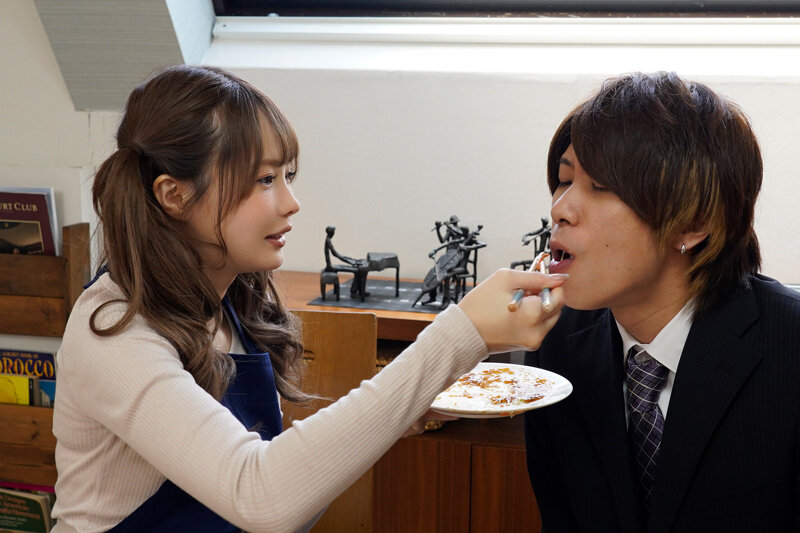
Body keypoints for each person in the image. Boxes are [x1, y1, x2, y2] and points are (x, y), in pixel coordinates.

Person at [50, 64, 566, 533]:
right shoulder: (115, 331)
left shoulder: (231, 306)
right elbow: (261, 497)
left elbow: (291, 497)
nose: (291, 202)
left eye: (287, 177)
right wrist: (461, 333)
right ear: (174, 195)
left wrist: (407, 408)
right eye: (264, 180)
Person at [523, 71, 800, 532]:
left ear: (692, 222)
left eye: (601, 186)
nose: (560, 208)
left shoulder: (789, 348)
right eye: (564, 180)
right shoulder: (556, 341)